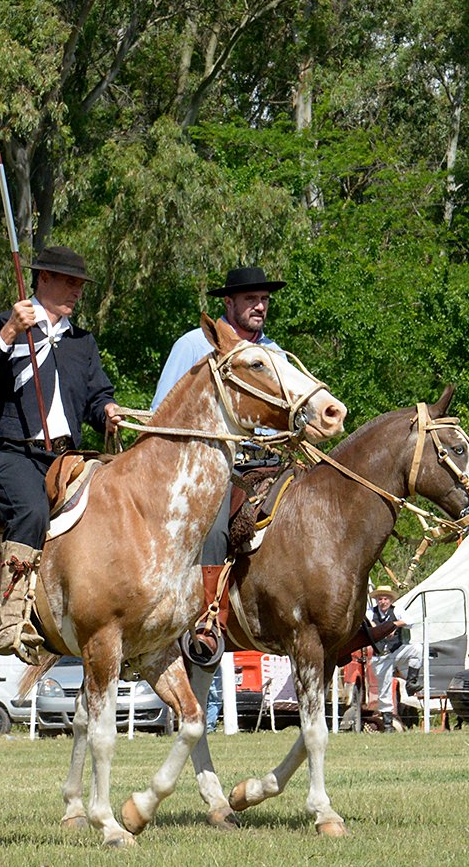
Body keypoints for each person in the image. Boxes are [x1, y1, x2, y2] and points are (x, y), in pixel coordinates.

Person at [0, 245, 122, 661]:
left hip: (65, 459)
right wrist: (9, 333)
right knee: (32, 511)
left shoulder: (82, 342)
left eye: (80, 285)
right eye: (70, 282)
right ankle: (13, 618)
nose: (77, 291)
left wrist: (108, 410)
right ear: (43, 278)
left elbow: (96, 396)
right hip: (11, 454)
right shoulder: (5, 325)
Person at [152, 266, 287, 727]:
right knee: (213, 525)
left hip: (270, 464)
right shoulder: (194, 346)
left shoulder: (273, 353)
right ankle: (207, 623)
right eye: (250, 298)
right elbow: (163, 413)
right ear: (228, 304)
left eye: (264, 298)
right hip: (211, 467)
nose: (260, 306)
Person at [368, 585, 411, 732]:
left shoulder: (396, 610)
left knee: (417, 651)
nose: (383, 602)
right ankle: (387, 724)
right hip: (380, 654)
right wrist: (377, 629)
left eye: (386, 599)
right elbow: (365, 622)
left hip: (395, 651)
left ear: (390, 600)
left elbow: (410, 620)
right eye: (380, 599)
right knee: (384, 688)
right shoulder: (371, 613)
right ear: (377, 600)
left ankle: (412, 680)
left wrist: (393, 625)